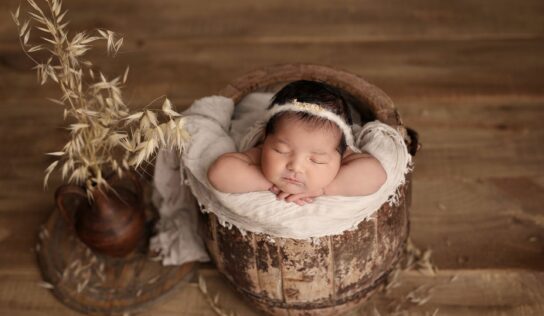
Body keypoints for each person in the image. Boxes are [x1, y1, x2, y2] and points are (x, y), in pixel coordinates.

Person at [207, 80, 387, 206]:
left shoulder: (342, 154)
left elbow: (376, 175)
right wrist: (269, 184)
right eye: (281, 150)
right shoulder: (261, 150)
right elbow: (219, 173)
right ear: (265, 138)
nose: (295, 167)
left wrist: (322, 189)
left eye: (317, 160)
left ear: (342, 152)